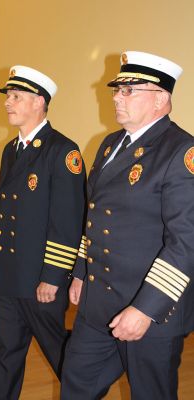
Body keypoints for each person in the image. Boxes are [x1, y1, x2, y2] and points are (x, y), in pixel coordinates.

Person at [61, 51, 194, 400]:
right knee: (75, 385)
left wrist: (146, 308)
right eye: (117, 90)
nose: (118, 97)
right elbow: (96, 217)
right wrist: (79, 270)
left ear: (160, 99)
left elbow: (185, 241)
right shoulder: (109, 145)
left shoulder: (180, 152)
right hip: (98, 300)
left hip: (148, 310)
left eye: (129, 90)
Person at [0, 65, 86, 399]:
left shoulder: (62, 151)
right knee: (4, 352)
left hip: (40, 280)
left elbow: (69, 222)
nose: (8, 103)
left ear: (39, 102)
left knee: (60, 353)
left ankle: (87, 392)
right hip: (8, 277)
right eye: (8, 97)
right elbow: (1, 210)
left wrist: (54, 276)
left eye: (16, 97)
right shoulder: (11, 150)